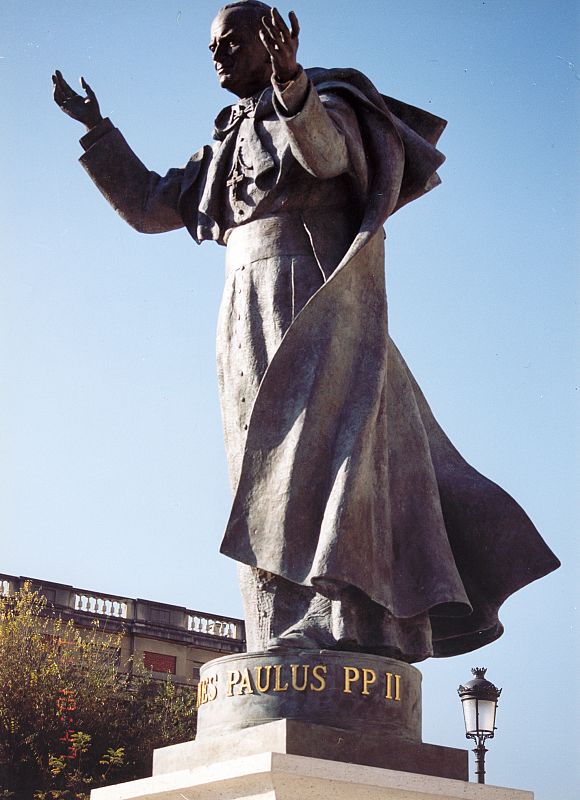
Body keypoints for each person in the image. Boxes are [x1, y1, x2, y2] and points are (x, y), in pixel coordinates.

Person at [52, 1, 559, 662]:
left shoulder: (326, 97)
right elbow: (150, 206)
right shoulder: (224, 142)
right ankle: (273, 634)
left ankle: (338, 619)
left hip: (312, 293)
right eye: (212, 47)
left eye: (231, 41)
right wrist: (97, 131)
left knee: (318, 458)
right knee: (257, 473)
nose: (218, 55)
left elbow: (325, 155)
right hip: (242, 311)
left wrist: (293, 86)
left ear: (271, 42)